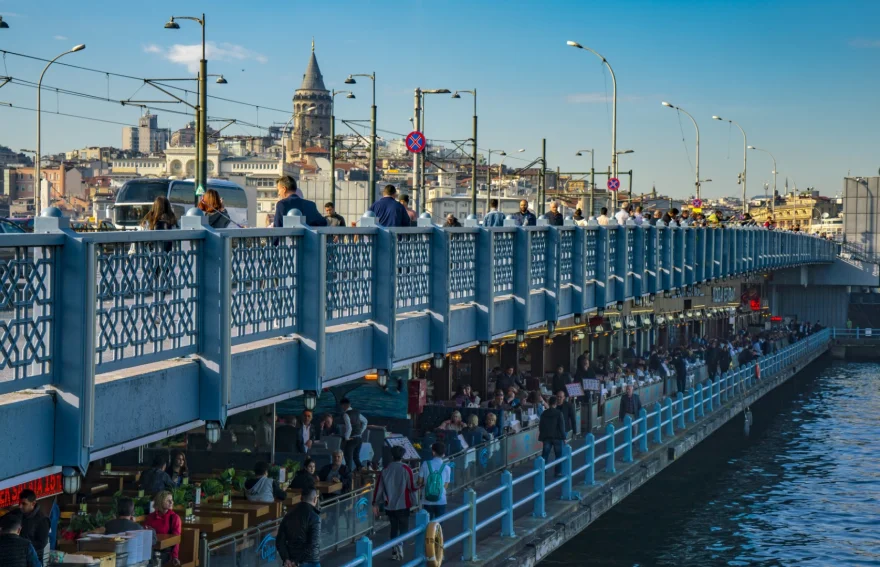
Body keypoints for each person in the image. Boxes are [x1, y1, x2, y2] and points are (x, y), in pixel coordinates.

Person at [373, 446, 417, 562]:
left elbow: (379, 489)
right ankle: (400, 545)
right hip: (404, 504)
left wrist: (375, 503)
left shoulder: (385, 470)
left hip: (390, 505)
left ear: (392, 456)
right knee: (403, 527)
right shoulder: (406, 469)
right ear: (402, 456)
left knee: (393, 527)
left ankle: (394, 550)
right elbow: (412, 486)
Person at [276, 487, 321, 567]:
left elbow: (280, 541)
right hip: (309, 561)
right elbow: (312, 544)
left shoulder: (288, 516)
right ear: (315, 499)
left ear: (300, 498)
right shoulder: (314, 517)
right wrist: (296, 562)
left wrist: (287, 559)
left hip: (291, 560)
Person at [143, 491, 182, 567]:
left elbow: (176, 539)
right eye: (168, 500)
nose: (171, 502)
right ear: (160, 502)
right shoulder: (151, 517)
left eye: (172, 500)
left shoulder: (174, 518)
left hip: (166, 551)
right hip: (151, 549)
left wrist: (175, 557)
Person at [419, 443, 451, 520]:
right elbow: (446, 485)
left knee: (427, 524)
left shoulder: (425, 464)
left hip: (427, 499)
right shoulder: (447, 468)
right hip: (441, 499)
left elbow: (420, 481)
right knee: (439, 525)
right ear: (443, 454)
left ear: (433, 452)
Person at [538, 395, 567, 477]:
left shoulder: (544, 413)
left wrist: (542, 435)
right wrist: (564, 438)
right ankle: (558, 472)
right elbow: (561, 427)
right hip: (557, 437)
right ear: (556, 403)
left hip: (547, 437)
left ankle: (542, 471)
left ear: (549, 403)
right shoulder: (558, 413)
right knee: (558, 455)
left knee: (545, 455)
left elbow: (541, 426)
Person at [17, 490, 48, 565]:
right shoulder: (19, 515)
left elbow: (42, 543)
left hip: (33, 560)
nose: (20, 506)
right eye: (19, 503)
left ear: (33, 503)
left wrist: (24, 546)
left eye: (24, 504)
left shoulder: (42, 520)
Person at [340, 398, 368, 472]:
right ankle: (362, 469)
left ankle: (348, 476)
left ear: (343, 405)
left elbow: (349, 428)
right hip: (359, 439)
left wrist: (346, 438)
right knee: (356, 457)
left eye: (342, 406)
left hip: (352, 439)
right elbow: (365, 421)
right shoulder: (357, 412)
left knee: (348, 458)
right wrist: (360, 432)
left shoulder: (346, 414)